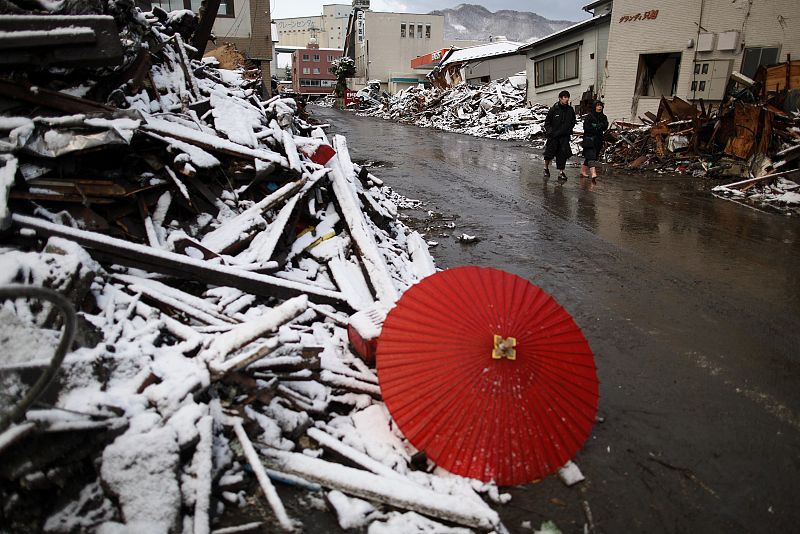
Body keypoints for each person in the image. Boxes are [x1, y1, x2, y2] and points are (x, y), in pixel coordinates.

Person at [543, 90, 577, 181]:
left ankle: (561, 172)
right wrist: (550, 131)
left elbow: (573, 121)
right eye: (564, 97)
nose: (566, 99)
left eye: (567, 97)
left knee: (562, 155)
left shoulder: (570, 110)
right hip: (553, 136)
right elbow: (547, 122)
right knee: (549, 154)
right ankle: (546, 168)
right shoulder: (554, 109)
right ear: (560, 98)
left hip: (564, 137)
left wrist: (569, 129)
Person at [581, 100, 609, 182]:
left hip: (598, 139)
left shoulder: (603, 117)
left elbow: (605, 126)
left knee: (591, 157)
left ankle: (583, 171)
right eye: (597, 105)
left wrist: (599, 126)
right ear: (594, 107)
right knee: (591, 156)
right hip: (589, 139)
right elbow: (586, 127)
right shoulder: (589, 116)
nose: (599, 107)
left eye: (601, 105)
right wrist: (596, 127)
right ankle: (593, 173)